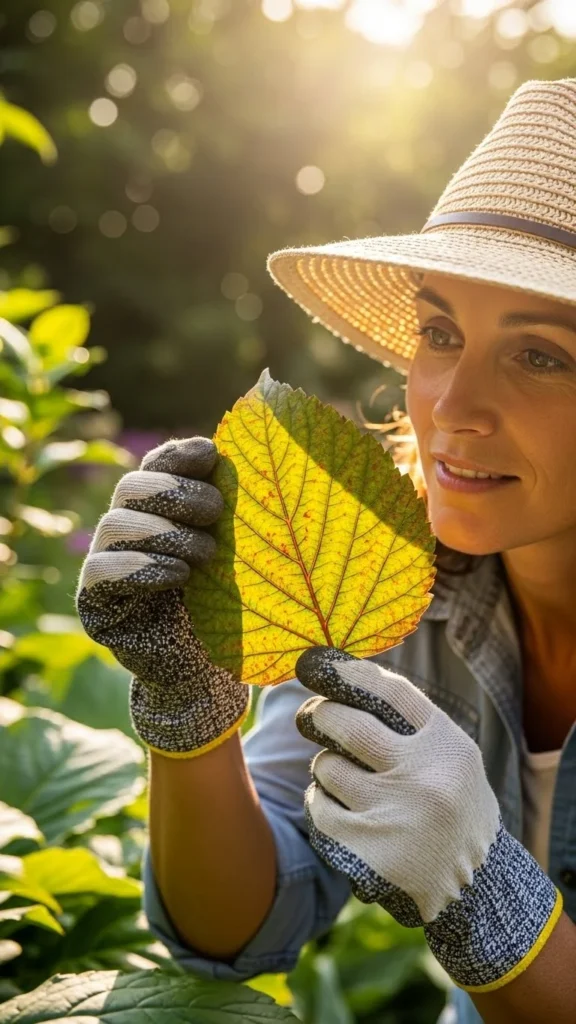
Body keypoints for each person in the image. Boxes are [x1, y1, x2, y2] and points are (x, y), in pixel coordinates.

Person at [76, 77, 576, 1024]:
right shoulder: (402, 591)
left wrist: (490, 909)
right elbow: (241, 926)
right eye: (439, 333)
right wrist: (191, 703)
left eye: (540, 353)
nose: (451, 408)